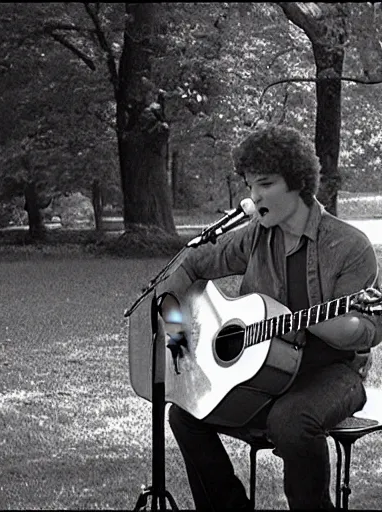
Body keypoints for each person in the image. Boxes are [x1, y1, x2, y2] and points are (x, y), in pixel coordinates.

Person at [157, 124, 382, 510]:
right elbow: (189, 265)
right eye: (249, 186)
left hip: (334, 375)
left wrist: (305, 319)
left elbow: (363, 332)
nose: (254, 196)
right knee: (185, 414)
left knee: (290, 422)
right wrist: (179, 341)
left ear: (297, 183)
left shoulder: (348, 245)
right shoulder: (255, 235)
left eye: (265, 184)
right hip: (265, 375)